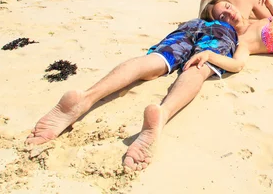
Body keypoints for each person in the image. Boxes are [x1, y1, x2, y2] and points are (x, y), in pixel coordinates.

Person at [25, 19, 248, 171]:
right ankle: (162, 113)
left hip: (189, 27)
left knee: (160, 61)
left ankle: (86, 98)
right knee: (198, 66)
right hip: (215, 33)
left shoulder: (218, 1)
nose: (230, 12)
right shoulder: (237, 26)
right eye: (225, 9)